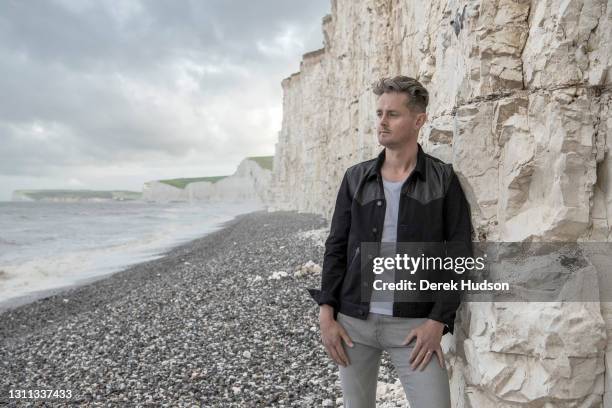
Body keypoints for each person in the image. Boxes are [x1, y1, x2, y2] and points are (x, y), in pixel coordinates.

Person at [309, 76, 473, 408]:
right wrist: (327, 315)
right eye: (379, 113)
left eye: (393, 114)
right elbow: (336, 247)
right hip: (354, 324)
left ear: (418, 120)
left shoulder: (442, 179)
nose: (382, 122)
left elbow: (459, 255)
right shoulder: (356, 178)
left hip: (414, 328)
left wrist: (437, 321)